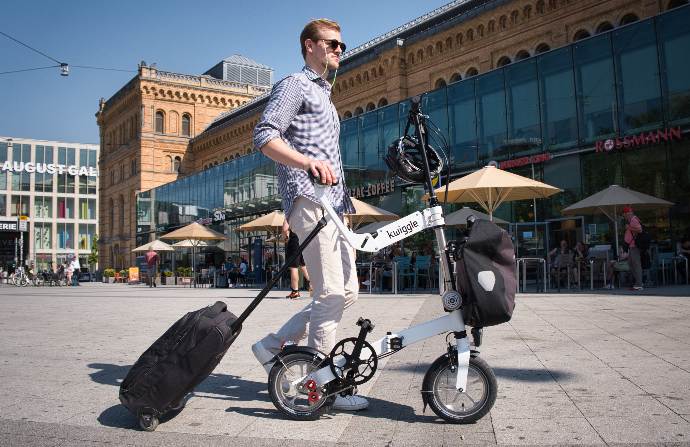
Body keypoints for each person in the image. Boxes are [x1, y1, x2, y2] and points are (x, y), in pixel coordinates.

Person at [251, 18, 367, 411]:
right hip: (309, 199)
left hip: (335, 205)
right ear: (309, 46)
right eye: (332, 44)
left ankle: (272, 345)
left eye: (341, 45)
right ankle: (323, 385)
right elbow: (265, 134)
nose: (339, 50)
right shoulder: (295, 84)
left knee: (346, 292)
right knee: (331, 292)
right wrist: (306, 163)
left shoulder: (326, 95)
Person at [283, 219, 311, 299]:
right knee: (303, 265)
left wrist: (286, 238)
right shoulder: (302, 215)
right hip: (303, 241)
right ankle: (312, 284)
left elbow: (285, 229)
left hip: (294, 243)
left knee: (293, 268)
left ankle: (295, 291)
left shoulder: (290, 215)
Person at [623, 206, 643, 290]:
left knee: (636, 265)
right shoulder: (631, 220)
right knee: (631, 264)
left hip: (634, 246)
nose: (625, 216)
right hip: (631, 246)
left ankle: (639, 284)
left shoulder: (633, 220)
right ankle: (638, 282)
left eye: (625, 214)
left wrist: (629, 227)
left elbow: (640, 229)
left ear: (627, 213)